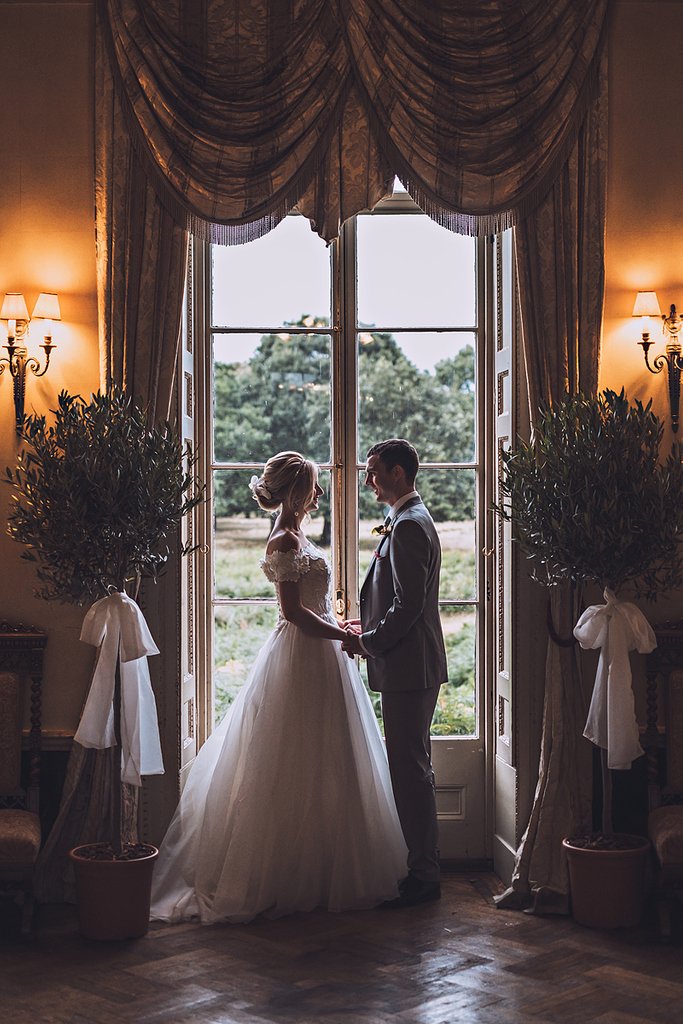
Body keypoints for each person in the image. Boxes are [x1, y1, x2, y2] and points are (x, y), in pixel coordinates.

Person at [150, 451, 407, 925]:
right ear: (295, 491)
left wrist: (343, 628)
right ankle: (283, 874)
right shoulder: (283, 540)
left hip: (322, 653)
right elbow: (293, 613)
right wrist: (345, 637)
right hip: (300, 654)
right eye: (313, 485)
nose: (319, 492)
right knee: (291, 757)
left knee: (330, 758)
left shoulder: (298, 535)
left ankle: (322, 867)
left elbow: (316, 606)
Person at [341, 438, 447, 908]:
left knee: (410, 771)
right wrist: (365, 624)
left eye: (374, 470)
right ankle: (423, 867)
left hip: (410, 667)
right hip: (409, 665)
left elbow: (407, 608)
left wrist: (366, 642)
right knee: (411, 767)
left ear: (398, 473)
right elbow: (400, 599)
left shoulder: (408, 526)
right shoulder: (407, 519)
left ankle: (424, 875)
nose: (368, 479)